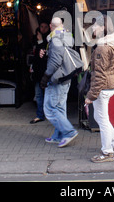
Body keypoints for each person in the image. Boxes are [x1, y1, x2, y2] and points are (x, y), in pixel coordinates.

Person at [85, 15, 114, 163]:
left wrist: (90, 95)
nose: (93, 28)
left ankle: (107, 152)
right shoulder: (112, 43)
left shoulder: (102, 48)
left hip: (102, 87)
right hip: (109, 84)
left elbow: (99, 75)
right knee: (100, 118)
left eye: (95, 26)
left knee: (102, 119)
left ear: (103, 27)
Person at [40, 17, 78, 148]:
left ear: (51, 26)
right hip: (65, 78)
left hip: (57, 78)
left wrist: (46, 76)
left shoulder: (55, 39)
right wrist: (46, 53)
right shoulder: (65, 36)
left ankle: (69, 132)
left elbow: (55, 62)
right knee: (60, 108)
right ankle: (58, 136)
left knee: (50, 109)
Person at [29, 21, 50, 124]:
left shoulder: (48, 41)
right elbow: (35, 57)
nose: (43, 29)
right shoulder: (35, 40)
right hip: (37, 73)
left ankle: (49, 114)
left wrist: (41, 41)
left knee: (48, 94)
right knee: (38, 94)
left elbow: (42, 57)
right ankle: (40, 115)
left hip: (45, 72)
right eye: (41, 27)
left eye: (45, 27)